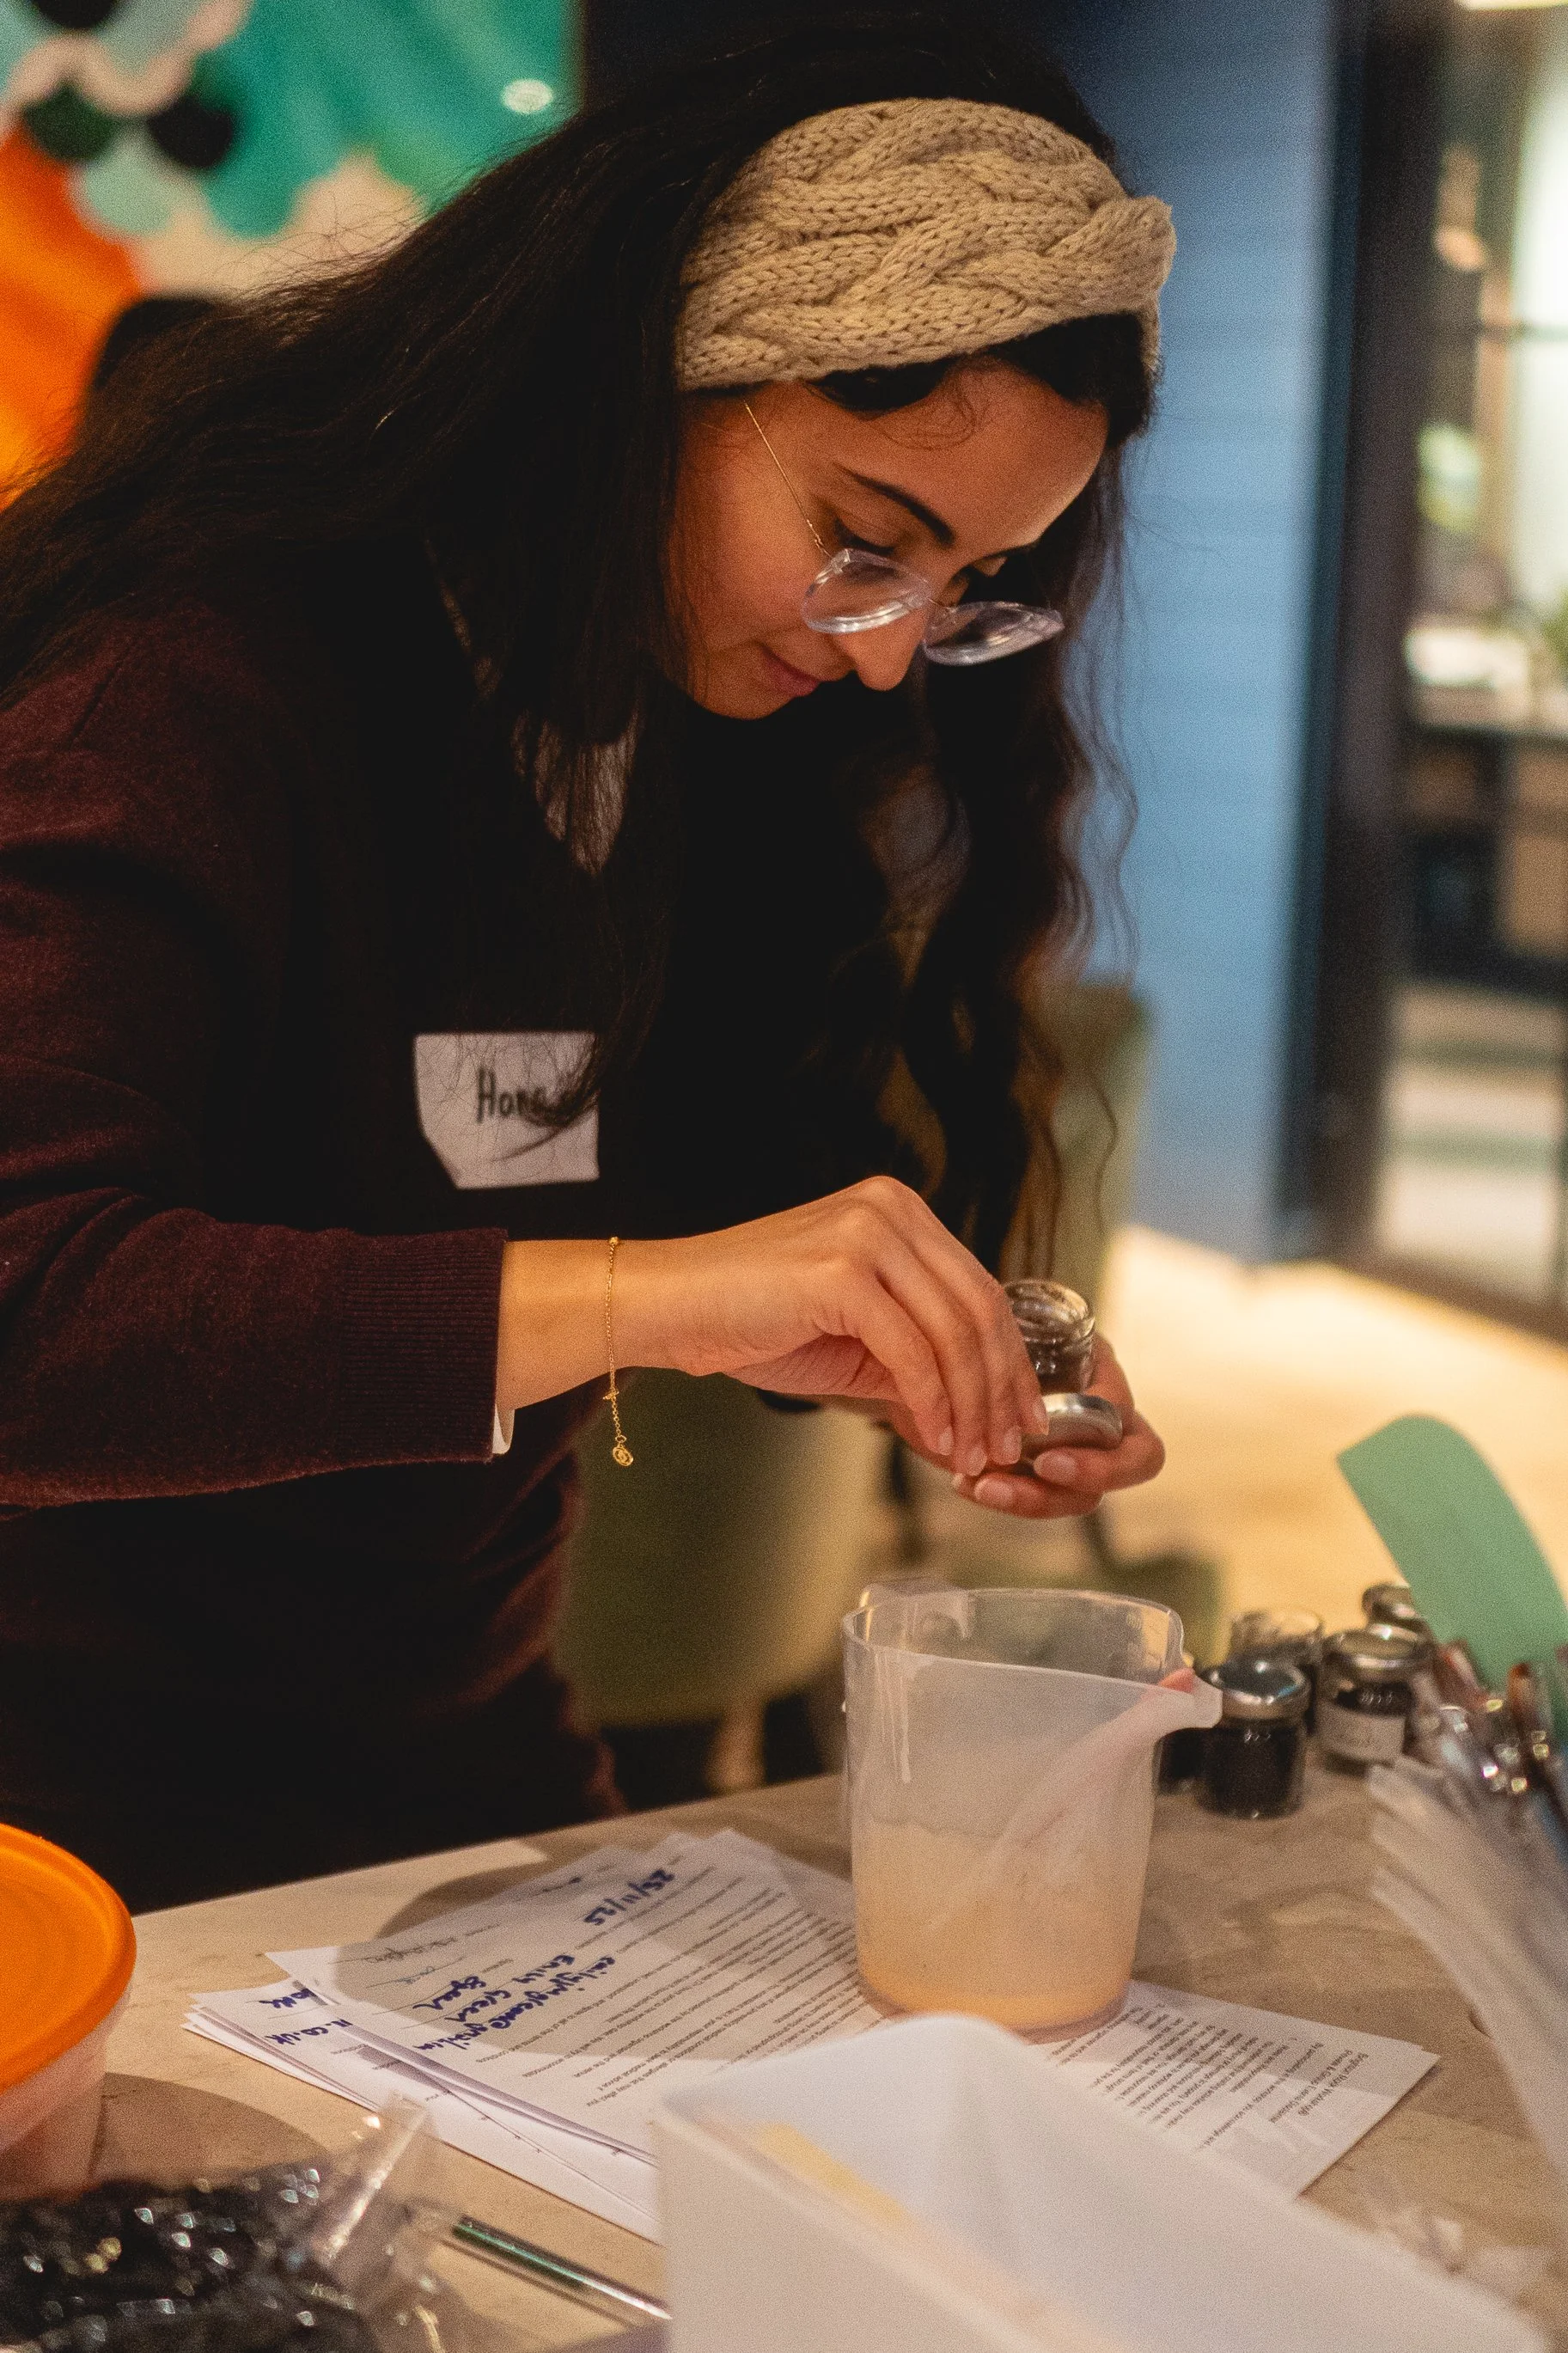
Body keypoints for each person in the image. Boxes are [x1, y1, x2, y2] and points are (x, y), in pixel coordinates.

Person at [0, 9, 1172, 1909]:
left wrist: (859, 1336)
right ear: (649, 378)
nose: (884, 650)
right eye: (865, 541)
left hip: (439, 1773)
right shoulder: (189, 683)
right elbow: (29, 1320)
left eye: (962, 595)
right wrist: (644, 1292)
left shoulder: (660, 716)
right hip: (81, 1850)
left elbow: (585, 1147)